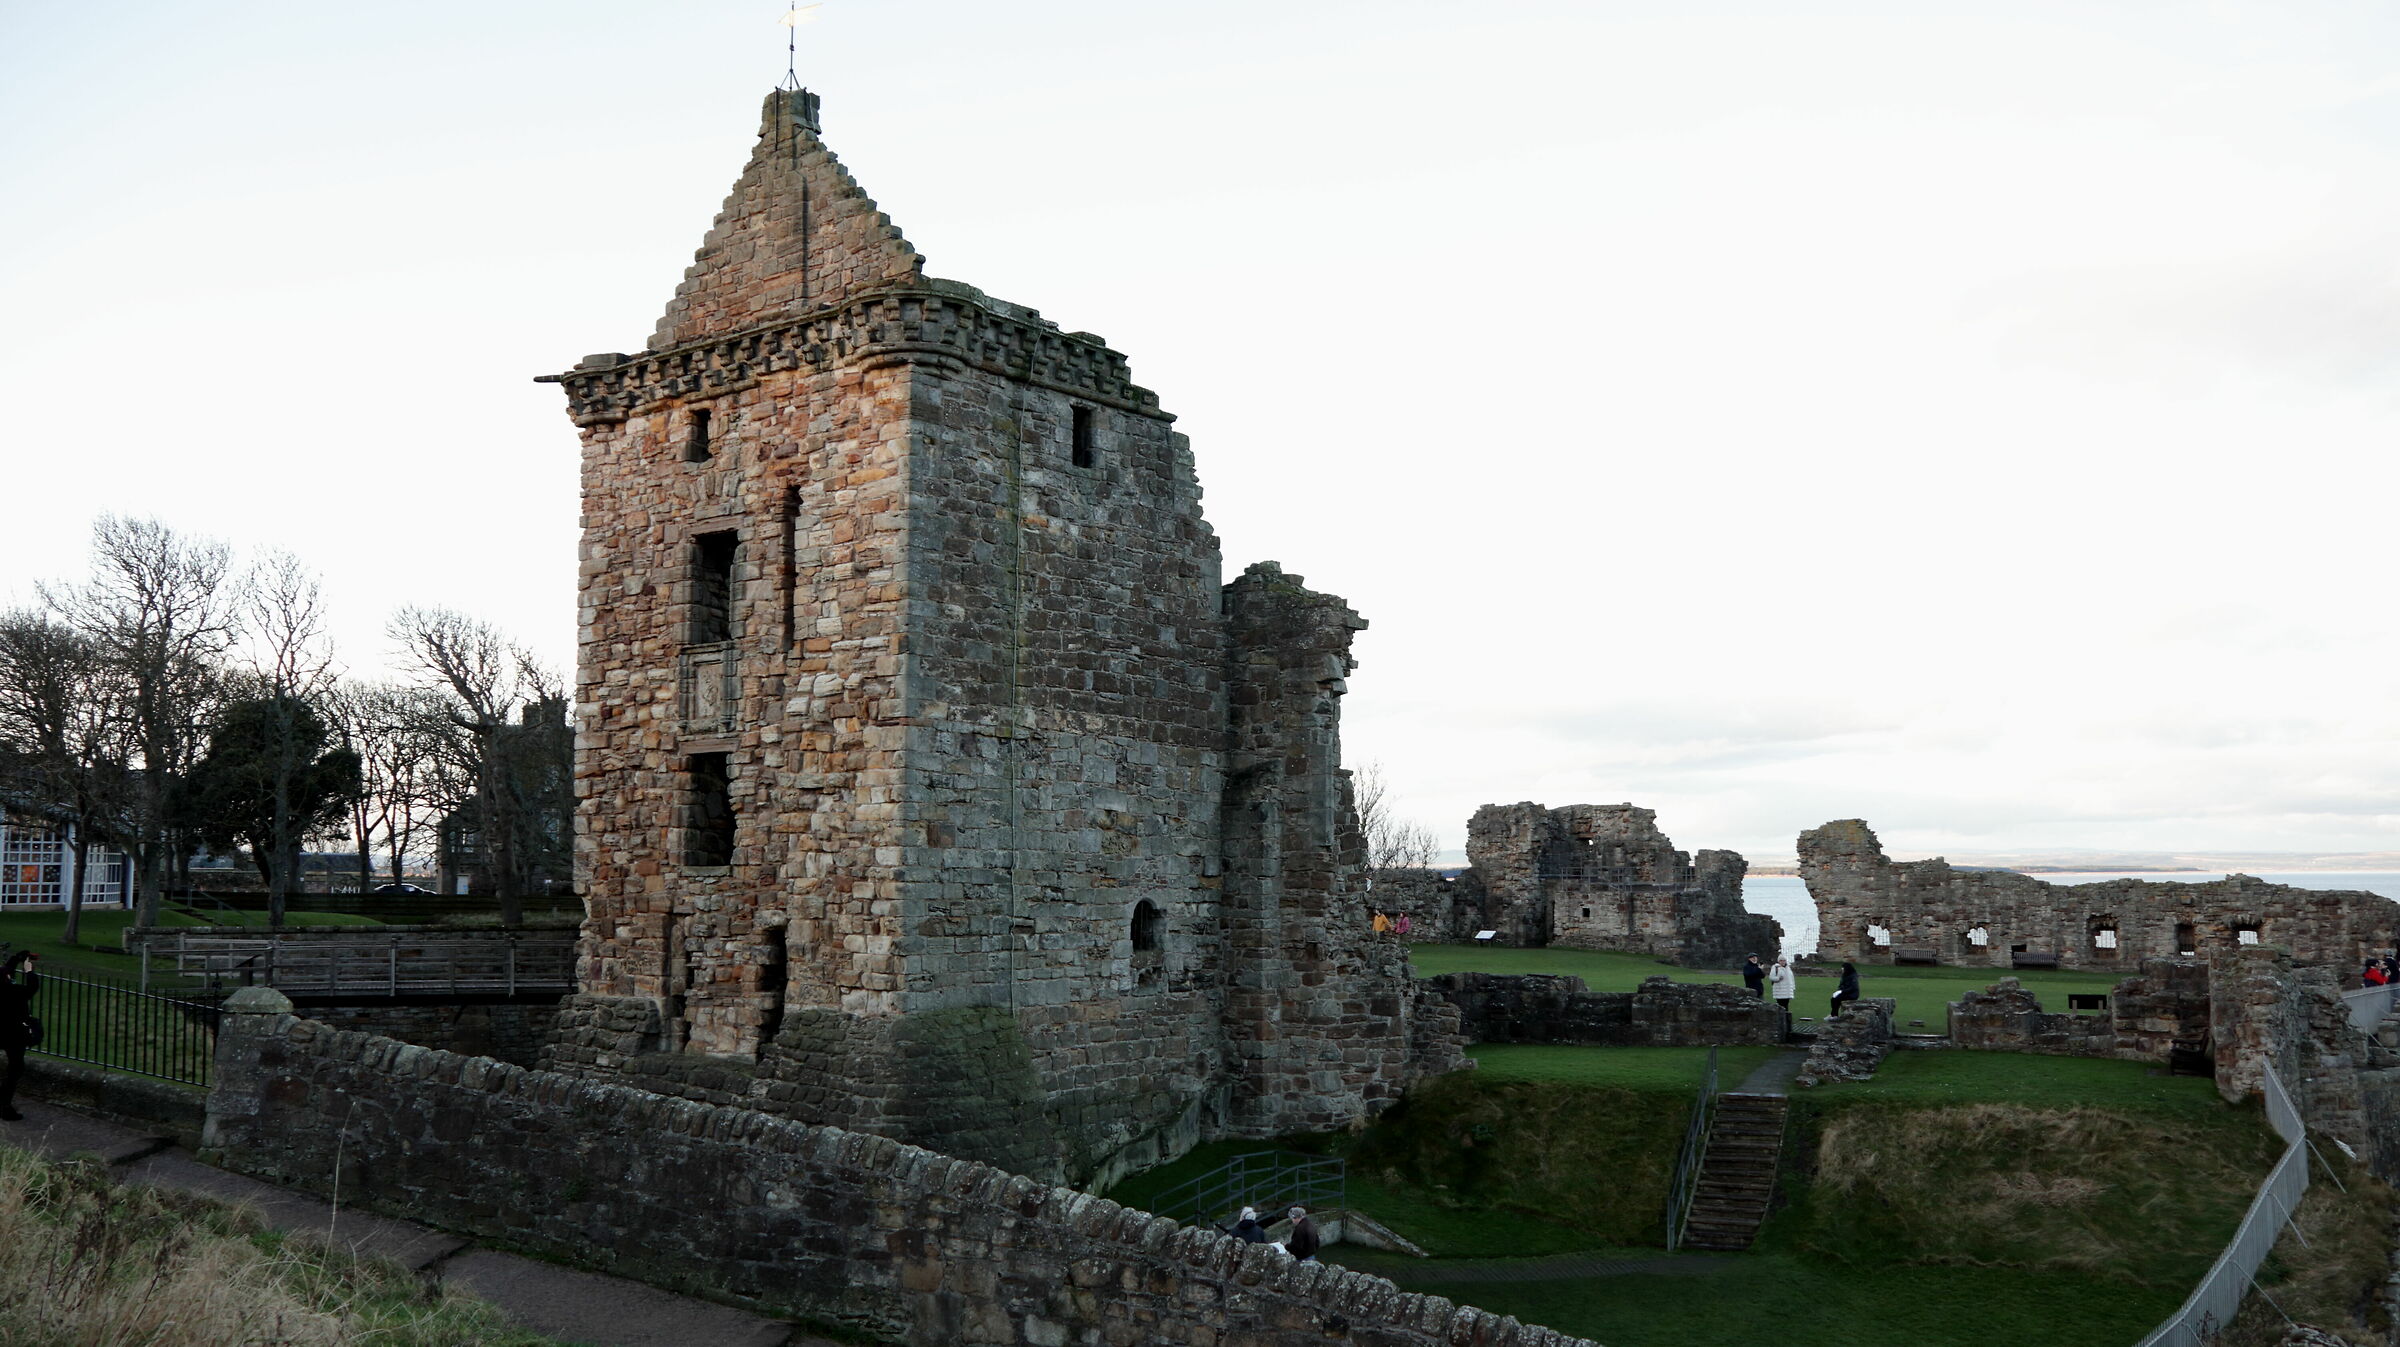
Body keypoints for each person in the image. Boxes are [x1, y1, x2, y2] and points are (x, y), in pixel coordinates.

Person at [0, 949, 39, 1122]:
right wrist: (29, 969)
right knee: (15, 1068)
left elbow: (5, 970)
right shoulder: (15, 992)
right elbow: (32, 987)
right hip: (14, 1035)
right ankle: (5, 1106)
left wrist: (15, 959)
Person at [1769, 955, 1796, 1033]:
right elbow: (1771, 977)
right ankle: (1781, 1022)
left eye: (1783, 960)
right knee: (1781, 1006)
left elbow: (1791, 979)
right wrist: (1778, 978)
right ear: (1778, 961)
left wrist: (1792, 988)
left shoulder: (1788, 968)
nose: (1782, 962)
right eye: (1781, 960)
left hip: (1787, 991)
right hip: (1779, 990)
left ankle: (1786, 1022)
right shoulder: (1775, 967)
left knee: (1786, 1006)